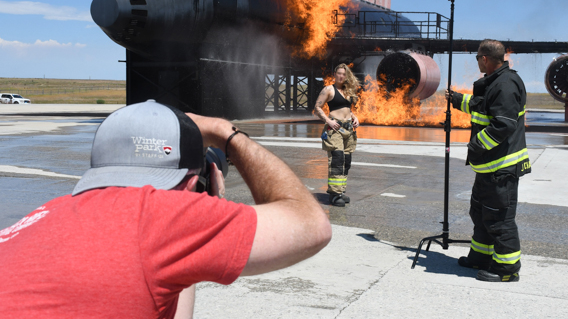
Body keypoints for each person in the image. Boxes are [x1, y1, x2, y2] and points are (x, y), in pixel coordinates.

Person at [0, 100, 331, 318]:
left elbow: (161, 285)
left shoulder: (40, 216)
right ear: (192, 180)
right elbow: (311, 224)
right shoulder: (157, 217)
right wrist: (225, 134)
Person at [446, 39, 530, 282]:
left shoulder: (505, 84)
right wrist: (456, 99)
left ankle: (507, 270)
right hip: (489, 167)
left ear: (484, 58)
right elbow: (482, 107)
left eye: (477, 58)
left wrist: (476, 145)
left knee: (499, 219)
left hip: (501, 167)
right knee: (481, 214)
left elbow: (502, 124)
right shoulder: (496, 82)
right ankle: (480, 258)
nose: (477, 62)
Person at [314, 63, 360, 207]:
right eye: (339, 73)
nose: (341, 76)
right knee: (337, 161)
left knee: (346, 162)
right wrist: (329, 121)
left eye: (344, 74)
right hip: (335, 130)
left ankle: (341, 191)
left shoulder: (347, 91)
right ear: (335, 74)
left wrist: (354, 117)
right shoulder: (329, 89)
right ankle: (334, 194)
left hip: (349, 130)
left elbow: (347, 109)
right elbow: (317, 108)